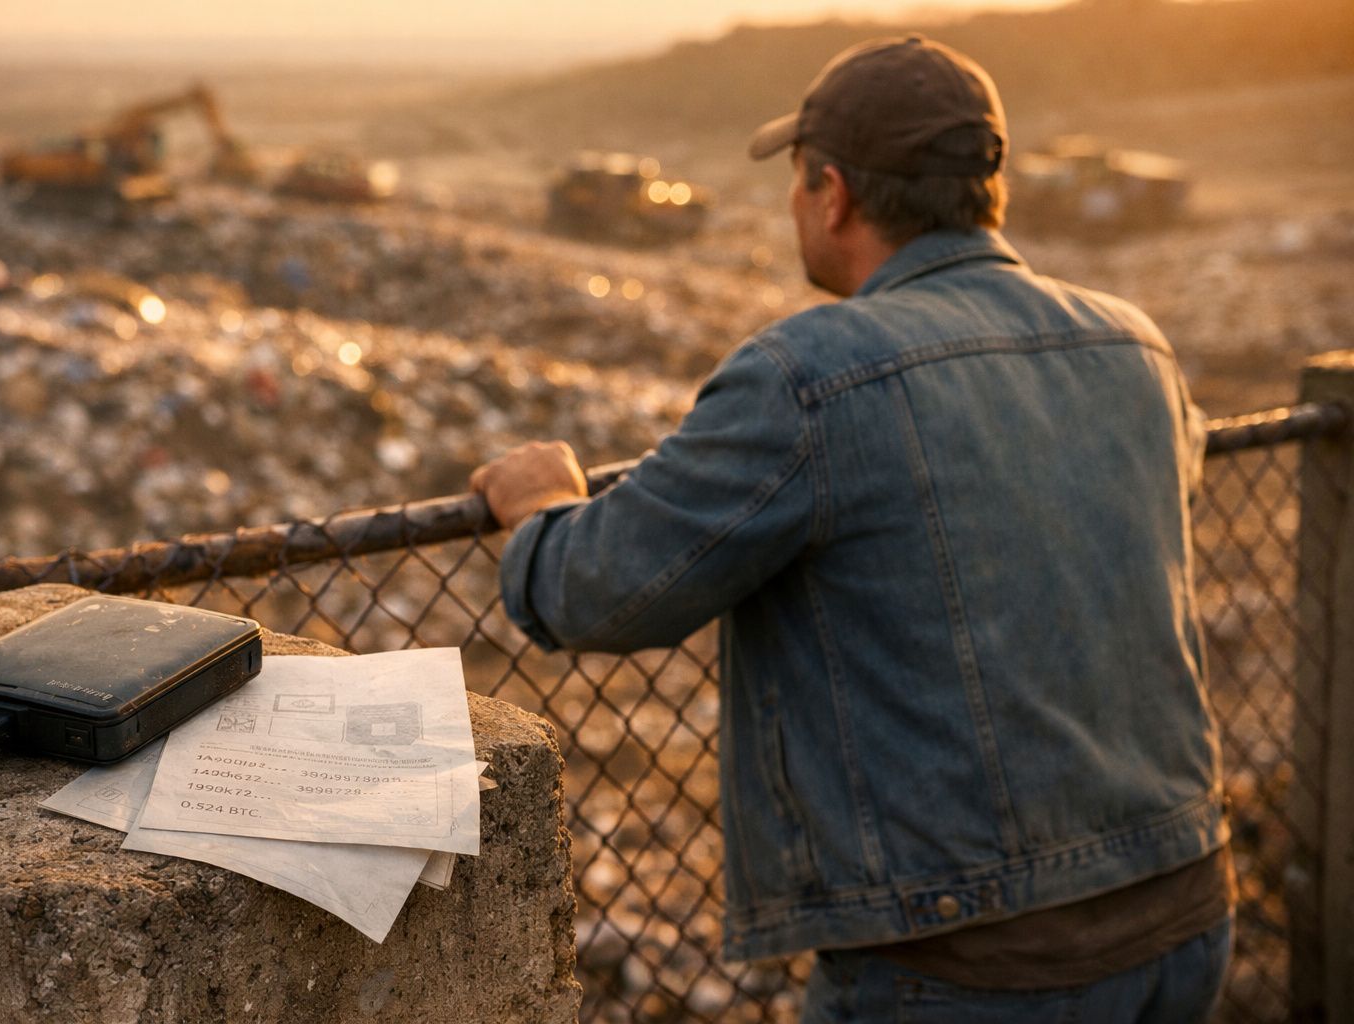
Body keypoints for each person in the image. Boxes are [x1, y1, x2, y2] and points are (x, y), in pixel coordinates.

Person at [470, 35, 1232, 1023]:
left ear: (830, 193)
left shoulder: (810, 375)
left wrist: (540, 506)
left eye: (796, 178)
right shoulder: (1137, 344)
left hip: (965, 962)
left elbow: (597, 591)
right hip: (1184, 906)